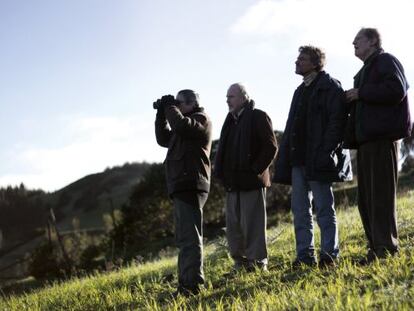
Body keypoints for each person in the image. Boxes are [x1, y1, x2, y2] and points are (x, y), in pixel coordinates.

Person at [273, 46, 352, 267]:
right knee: (300, 211)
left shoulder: (330, 86)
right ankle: (305, 256)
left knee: (324, 209)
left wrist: (326, 152)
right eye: (297, 57)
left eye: (302, 58)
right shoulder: (299, 91)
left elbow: (337, 123)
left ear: (316, 63)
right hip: (298, 161)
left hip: (319, 159)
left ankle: (329, 256)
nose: (297, 61)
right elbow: (292, 128)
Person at [344, 28, 411, 264]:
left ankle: (386, 248)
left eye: (358, 39)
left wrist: (361, 93)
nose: (353, 42)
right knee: (367, 200)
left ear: (373, 41)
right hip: (365, 143)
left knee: (381, 196)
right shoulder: (365, 70)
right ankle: (375, 247)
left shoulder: (386, 61)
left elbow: (397, 90)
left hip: (382, 140)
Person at [214, 83, 277, 272]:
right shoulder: (230, 120)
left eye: (231, 96)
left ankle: (258, 262)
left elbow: (271, 147)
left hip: (251, 182)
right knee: (234, 228)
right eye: (227, 97)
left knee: (253, 225)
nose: (227, 100)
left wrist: (254, 170)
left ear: (243, 97)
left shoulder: (258, 116)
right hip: (232, 184)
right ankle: (240, 264)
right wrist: (221, 173)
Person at [154, 90, 212, 295]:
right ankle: (186, 283)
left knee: (189, 238)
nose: (176, 107)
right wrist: (161, 112)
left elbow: (179, 125)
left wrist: (170, 107)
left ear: (191, 103)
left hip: (191, 184)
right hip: (182, 185)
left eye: (179, 103)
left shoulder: (200, 119)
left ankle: (192, 285)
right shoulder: (183, 125)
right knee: (184, 238)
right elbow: (163, 138)